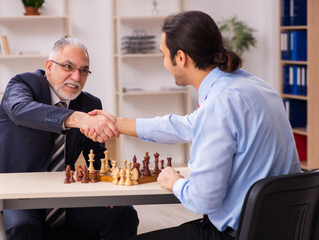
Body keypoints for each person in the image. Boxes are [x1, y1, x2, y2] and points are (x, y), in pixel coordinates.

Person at [88, 11, 301, 240]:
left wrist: (175, 181)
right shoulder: (254, 86)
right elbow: (187, 125)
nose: (164, 63)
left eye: (163, 55)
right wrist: (117, 123)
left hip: (235, 234)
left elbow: (202, 199)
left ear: (181, 57)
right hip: (284, 228)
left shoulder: (218, 105)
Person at [0, 38, 138, 240]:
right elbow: (19, 110)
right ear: (49, 66)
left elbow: (100, 156)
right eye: (68, 66)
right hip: (9, 197)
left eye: (84, 70)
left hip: (59, 201)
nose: (76, 77)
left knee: (123, 214)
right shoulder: (22, 84)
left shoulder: (89, 103)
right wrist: (74, 118)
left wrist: (111, 186)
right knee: (22, 226)